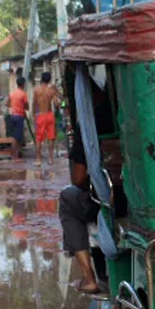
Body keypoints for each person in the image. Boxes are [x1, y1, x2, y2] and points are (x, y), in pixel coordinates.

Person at [59, 138, 100, 293]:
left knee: (66, 197)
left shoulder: (87, 124)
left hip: (109, 200)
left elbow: (78, 178)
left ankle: (89, 278)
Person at [33, 71, 62, 166]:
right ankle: (50, 159)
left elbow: (34, 104)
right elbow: (57, 102)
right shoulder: (51, 90)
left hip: (40, 115)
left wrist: (34, 115)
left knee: (39, 138)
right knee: (51, 137)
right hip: (49, 115)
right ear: (49, 79)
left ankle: (38, 160)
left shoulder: (36, 90)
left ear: (41, 79)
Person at [8, 77, 28, 160]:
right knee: (16, 137)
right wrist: (23, 107)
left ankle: (18, 153)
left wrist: (13, 106)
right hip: (19, 116)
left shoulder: (12, 93)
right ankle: (14, 155)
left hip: (13, 116)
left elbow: (6, 103)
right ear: (23, 84)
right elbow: (27, 106)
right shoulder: (23, 94)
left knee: (17, 136)